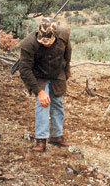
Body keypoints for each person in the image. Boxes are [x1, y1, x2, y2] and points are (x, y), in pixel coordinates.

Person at [18, 17, 72, 152]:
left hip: (57, 73)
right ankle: (41, 140)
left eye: (49, 41)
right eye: (43, 42)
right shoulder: (28, 44)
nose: (46, 44)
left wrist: (67, 68)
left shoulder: (63, 35)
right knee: (43, 104)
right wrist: (39, 91)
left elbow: (68, 51)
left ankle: (56, 136)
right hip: (39, 76)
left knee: (58, 103)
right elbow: (24, 70)